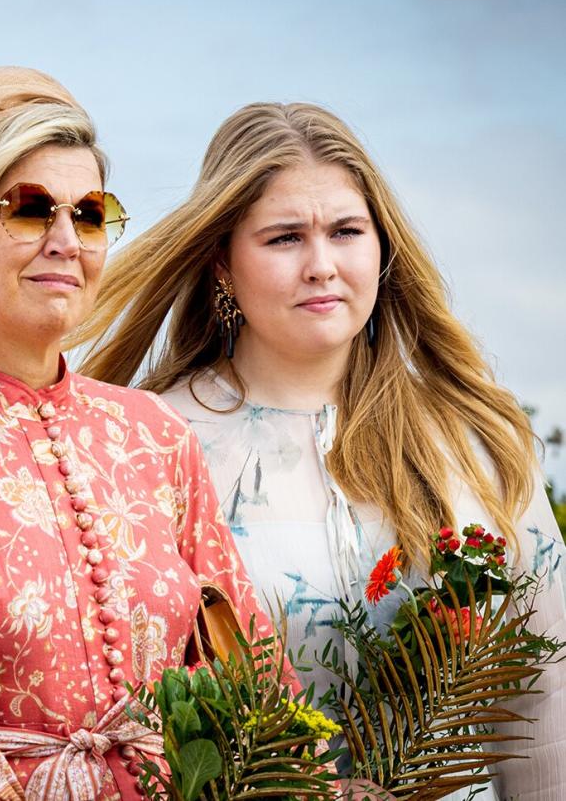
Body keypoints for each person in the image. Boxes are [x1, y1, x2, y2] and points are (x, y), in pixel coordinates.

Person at [74, 101, 566, 800]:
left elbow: (547, 705)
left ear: (381, 247)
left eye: (346, 231)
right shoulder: (138, 445)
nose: (322, 265)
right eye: (283, 238)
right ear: (222, 260)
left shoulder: (476, 442)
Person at [0, 67, 283, 799]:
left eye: (91, 214)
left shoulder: (154, 435)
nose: (67, 240)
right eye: (31, 211)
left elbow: (251, 681)